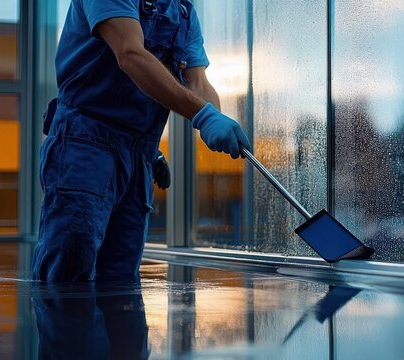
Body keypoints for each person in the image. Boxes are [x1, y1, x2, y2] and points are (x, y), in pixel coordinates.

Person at [31, 0, 251, 282]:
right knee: (69, 270)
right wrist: (203, 115)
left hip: (139, 154)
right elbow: (130, 54)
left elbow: (198, 82)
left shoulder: (182, 12)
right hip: (84, 145)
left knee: (121, 276)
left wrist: (218, 119)